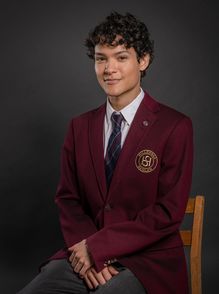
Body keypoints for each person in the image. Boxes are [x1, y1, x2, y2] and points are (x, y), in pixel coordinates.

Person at [17, 11, 193, 294]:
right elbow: (68, 198)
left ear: (143, 60)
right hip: (84, 252)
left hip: (148, 260)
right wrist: (87, 253)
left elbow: (167, 212)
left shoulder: (175, 126)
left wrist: (99, 247)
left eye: (121, 57)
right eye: (101, 58)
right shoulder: (79, 127)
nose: (109, 68)